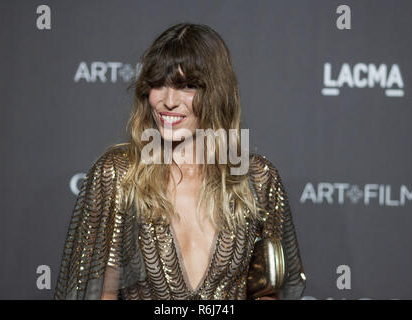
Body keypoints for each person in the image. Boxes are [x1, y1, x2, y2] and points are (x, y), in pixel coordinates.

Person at [54, 22, 306, 300]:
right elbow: (101, 293)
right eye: (158, 84)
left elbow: (269, 290)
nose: (168, 101)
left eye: (187, 86)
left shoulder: (255, 176)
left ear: (217, 93)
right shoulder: (119, 174)